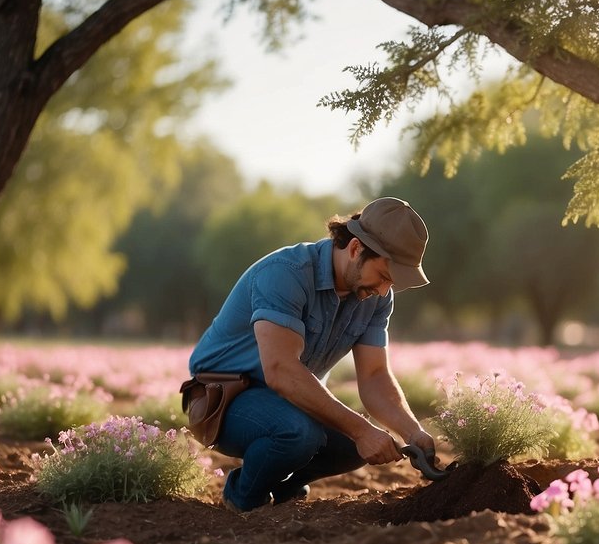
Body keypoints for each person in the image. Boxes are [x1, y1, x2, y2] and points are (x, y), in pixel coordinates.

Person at [187, 197, 439, 512]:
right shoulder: (285, 273)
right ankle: (243, 500)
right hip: (223, 400)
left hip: (290, 401)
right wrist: (361, 429)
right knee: (299, 433)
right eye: (386, 276)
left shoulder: (374, 296)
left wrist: (412, 431)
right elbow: (280, 370)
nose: (386, 290)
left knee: (353, 447)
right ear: (356, 248)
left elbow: (375, 375)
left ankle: (283, 489)